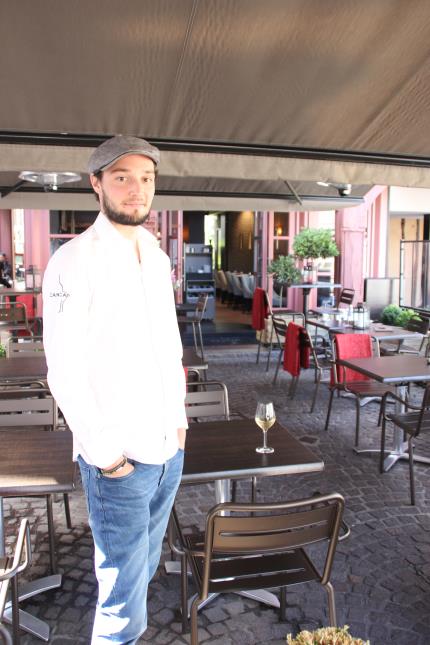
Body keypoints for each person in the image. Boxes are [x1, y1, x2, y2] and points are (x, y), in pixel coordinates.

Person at [43, 135, 188, 644]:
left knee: (142, 574)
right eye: (122, 177)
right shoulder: (73, 261)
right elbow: (62, 369)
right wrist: (107, 457)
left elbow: (169, 345)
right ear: (96, 184)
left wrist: (180, 422)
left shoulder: (155, 253)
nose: (137, 190)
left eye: (146, 178)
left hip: (166, 452)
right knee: (123, 604)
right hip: (119, 461)